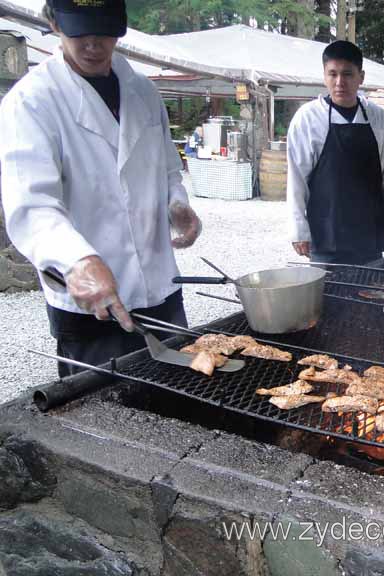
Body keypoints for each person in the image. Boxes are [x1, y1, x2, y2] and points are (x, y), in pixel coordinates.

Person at [0, 0, 202, 377]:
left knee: (182, 404)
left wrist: (177, 205)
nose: (93, 44)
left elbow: (169, 171)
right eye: (81, 31)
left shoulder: (143, 91)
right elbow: (32, 205)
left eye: (104, 32)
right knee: (99, 423)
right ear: (54, 23)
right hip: (91, 305)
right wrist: (79, 260)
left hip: (160, 292)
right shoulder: (31, 102)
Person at [287, 40, 384, 265]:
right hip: (326, 236)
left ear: (361, 76)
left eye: (348, 74)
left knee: (369, 295)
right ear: (324, 75)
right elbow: (296, 180)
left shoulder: (378, 119)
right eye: (333, 74)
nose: (340, 82)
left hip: (369, 236)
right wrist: (299, 230)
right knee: (327, 298)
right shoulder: (308, 119)